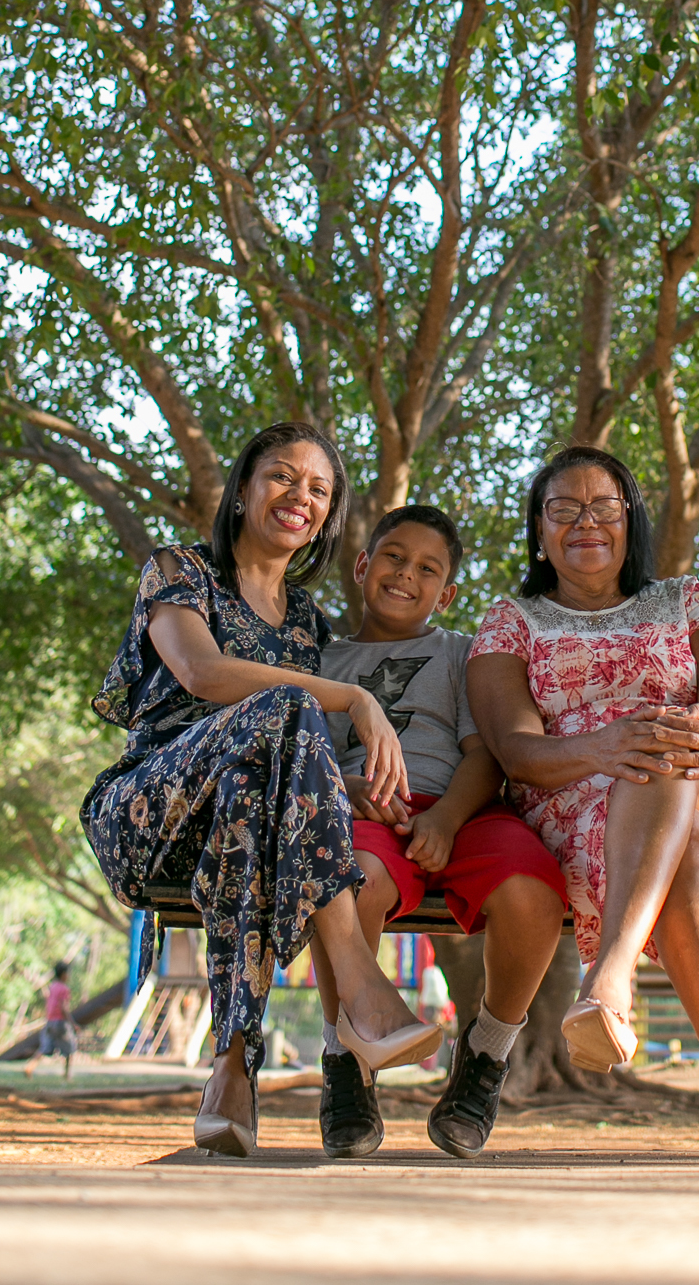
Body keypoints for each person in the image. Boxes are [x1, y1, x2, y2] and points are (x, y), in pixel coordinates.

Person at [468, 445, 699, 1168]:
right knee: (683, 837)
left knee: (664, 753)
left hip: (698, 784)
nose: (586, 523)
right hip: (573, 815)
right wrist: (605, 747)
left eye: (604, 506)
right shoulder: (511, 621)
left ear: (630, 519)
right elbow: (515, 752)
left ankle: (609, 976)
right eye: (563, 510)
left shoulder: (687, 600)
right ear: (538, 530)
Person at [81, 422, 429, 1157]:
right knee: (289, 706)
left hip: (243, 839)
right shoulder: (180, 571)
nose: (298, 496)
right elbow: (206, 676)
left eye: (318, 489)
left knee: (248, 792)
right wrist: (352, 699)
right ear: (243, 488)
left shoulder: (306, 622)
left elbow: (292, 763)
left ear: (328, 519)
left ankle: (233, 1071)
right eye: (282, 476)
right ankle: (361, 986)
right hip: (150, 815)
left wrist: (351, 790)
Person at [309, 504, 568, 1160]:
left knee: (532, 891)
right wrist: (347, 791)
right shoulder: (319, 659)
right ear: (363, 565)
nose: (406, 575)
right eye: (393, 557)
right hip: (357, 814)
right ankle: (348, 1057)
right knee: (348, 881)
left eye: (428, 569)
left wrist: (448, 818)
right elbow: (297, 759)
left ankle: (485, 1053)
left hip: (461, 808)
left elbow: (486, 754)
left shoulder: (459, 652)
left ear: (446, 593)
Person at [25, 961, 76, 1078]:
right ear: (63, 974)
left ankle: (30, 1066)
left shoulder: (52, 987)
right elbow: (63, 1008)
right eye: (67, 973)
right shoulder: (64, 989)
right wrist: (72, 1023)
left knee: (44, 1048)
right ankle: (67, 1075)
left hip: (50, 1021)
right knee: (69, 1048)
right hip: (61, 1022)